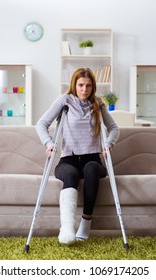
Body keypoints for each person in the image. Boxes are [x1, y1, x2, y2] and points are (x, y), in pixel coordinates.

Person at [36, 67, 119, 245]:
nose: (84, 89)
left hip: (92, 159)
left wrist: (109, 143)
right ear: (74, 85)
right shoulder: (65, 101)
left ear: (93, 87)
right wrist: (49, 143)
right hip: (68, 160)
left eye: (88, 85)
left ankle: (86, 221)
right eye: (81, 85)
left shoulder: (98, 103)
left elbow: (113, 128)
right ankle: (67, 227)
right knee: (70, 174)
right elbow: (41, 124)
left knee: (91, 169)